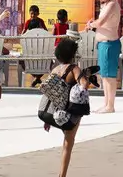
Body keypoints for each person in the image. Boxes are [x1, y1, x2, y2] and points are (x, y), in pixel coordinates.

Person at [37, 37, 86, 177]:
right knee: (68, 144)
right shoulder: (74, 69)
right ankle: (62, 175)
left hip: (51, 112)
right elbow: (83, 84)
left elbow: (51, 92)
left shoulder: (55, 69)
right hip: (68, 113)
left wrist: (47, 120)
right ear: (73, 55)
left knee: (66, 141)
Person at [88, 0, 123, 114]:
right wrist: (92, 23)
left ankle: (111, 105)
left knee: (110, 76)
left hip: (110, 43)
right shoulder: (105, 5)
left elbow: (101, 22)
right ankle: (106, 103)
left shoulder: (113, 4)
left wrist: (91, 25)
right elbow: (99, 23)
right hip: (103, 44)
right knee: (103, 75)